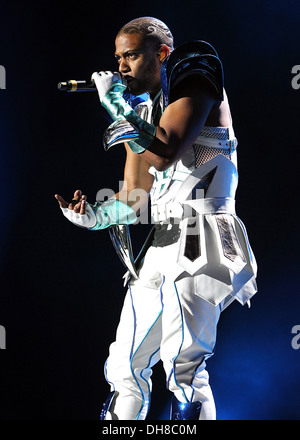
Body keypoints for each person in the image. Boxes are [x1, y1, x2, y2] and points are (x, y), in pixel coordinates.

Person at [55, 17, 257, 420]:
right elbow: (134, 199)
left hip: (203, 233)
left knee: (182, 364)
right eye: (117, 58)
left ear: (162, 53)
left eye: (130, 55)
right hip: (162, 243)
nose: (121, 67)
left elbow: (167, 152)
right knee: (124, 364)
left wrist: (115, 106)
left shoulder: (196, 73)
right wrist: (92, 216)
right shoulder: (142, 113)